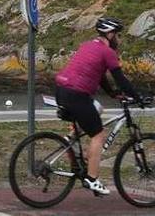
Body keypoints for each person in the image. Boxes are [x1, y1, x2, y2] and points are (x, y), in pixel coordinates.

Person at [54, 16, 139, 196]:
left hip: (61, 90)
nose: (119, 39)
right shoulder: (108, 52)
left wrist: (112, 94)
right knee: (98, 135)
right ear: (109, 34)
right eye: (117, 35)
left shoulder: (87, 45)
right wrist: (138, 97)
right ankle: (92, 179)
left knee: (97, 108)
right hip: (77, 95)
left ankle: (71, 140)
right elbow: (121, 79)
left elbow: (99, 75)